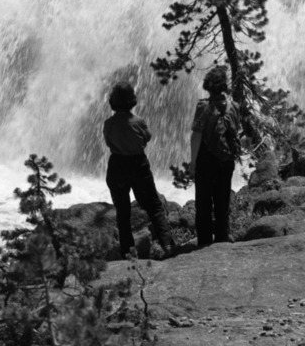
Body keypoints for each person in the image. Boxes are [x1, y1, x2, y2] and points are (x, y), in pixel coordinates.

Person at [103, 82, 172, 259]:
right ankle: (167, 244)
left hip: (117, 165)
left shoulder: (109, 124)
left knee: (123, 211)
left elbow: (108, 143)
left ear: (112, 101)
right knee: (154, 206)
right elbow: (147, 137)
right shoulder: (138, 121)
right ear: (132, 100)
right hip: (138, 164)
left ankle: (128, 251)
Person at [188, 65, 241, 248]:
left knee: (203, 204)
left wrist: (193, 162)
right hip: (226, 162)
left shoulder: (204, 106)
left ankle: (204, 243)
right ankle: (222, 239)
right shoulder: (234, 105)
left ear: (208, 86)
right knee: (222, 201)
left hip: (206, 160)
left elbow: (196, 136)